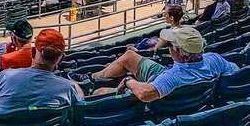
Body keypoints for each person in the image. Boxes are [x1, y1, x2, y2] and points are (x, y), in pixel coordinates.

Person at [85, 26, 238, 102]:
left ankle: (91, 83)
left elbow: (146, 94)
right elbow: (236, 71)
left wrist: (128, 81)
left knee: (98, 92)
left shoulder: (172, 77)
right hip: (168, 74)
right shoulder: (215, 59)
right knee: (130, 56)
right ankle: (93, 76)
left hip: (161, 82)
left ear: (177, 52)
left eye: (170, 45)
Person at [0, 29, 81, 115]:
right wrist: (75, 85)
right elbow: (80, 103)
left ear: (33, 52)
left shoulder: (5, 77)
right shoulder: (68, 88)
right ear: (61, 59)